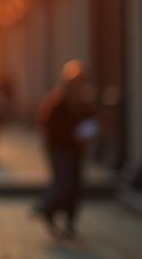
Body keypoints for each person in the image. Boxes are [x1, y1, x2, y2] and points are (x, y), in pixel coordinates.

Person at [32, 60, 97, 238]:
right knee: (64, 183)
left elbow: (93, 120)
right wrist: (71, 134)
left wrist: (92, 129)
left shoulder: (83, 104)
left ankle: (69, 221)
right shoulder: (57, 104)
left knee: (76, 185)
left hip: (76, 149)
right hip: (59, 149)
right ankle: (47, 207)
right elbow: (49, 127)